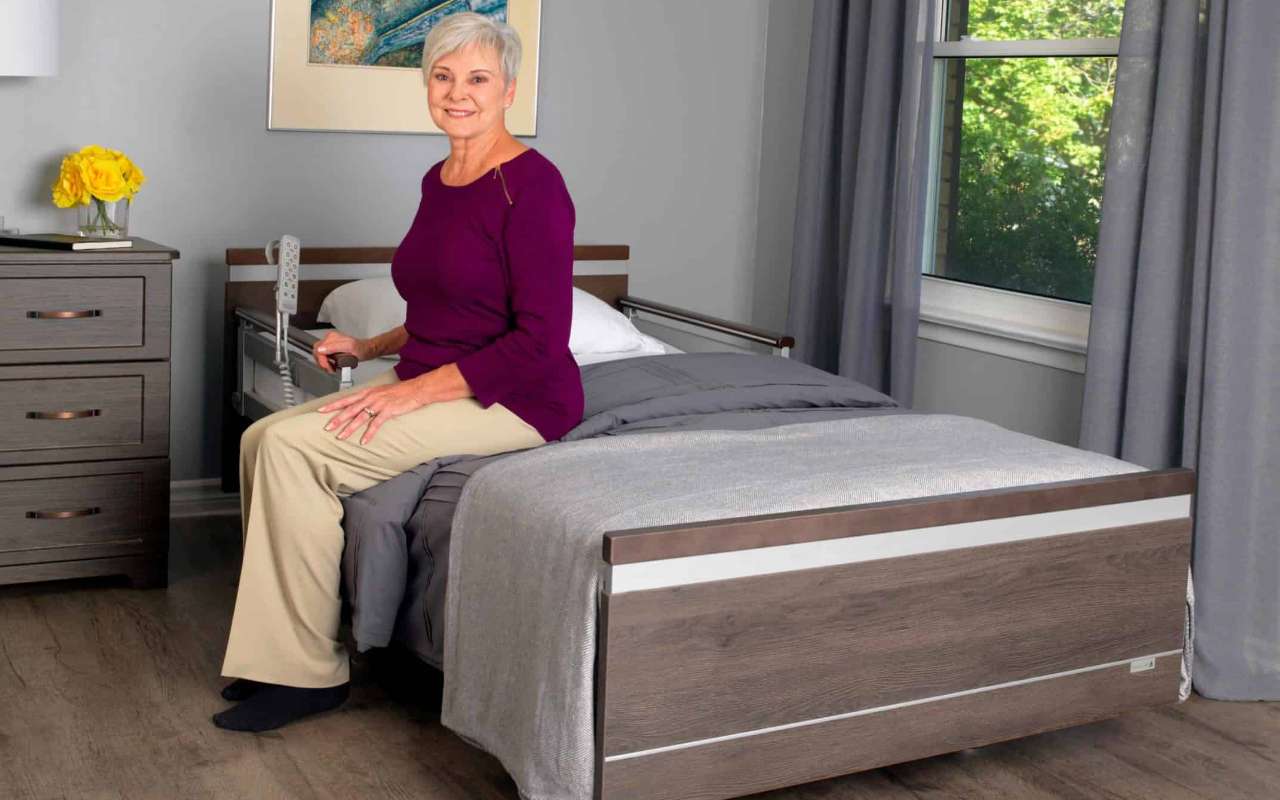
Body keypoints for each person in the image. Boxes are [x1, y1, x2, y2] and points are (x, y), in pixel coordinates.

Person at [213, 12, 582, 732]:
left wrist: (408, 393)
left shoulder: (534, 189)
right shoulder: (441, 178)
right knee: (261, 441)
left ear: (508, 88)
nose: (457, 93)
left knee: (294, 449)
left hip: (515, 399)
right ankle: (275, 654)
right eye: (443, 77)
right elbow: (446, 305)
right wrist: (369, 344)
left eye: (476, 78)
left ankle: (310, 675)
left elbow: (539, 338)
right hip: (434, 374)